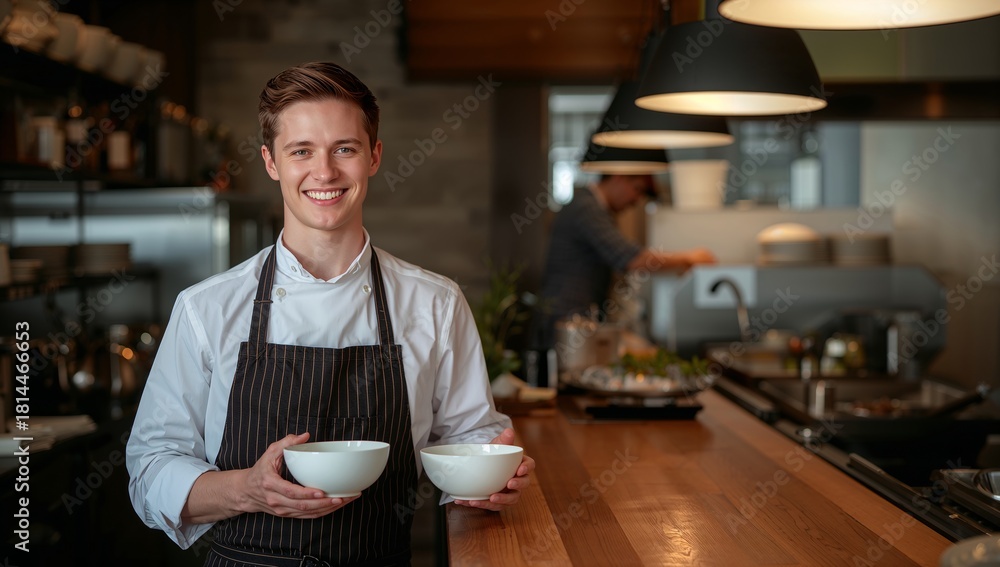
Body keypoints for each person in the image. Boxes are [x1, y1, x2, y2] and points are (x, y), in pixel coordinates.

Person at [126, 62, 534, 566]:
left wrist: (488, 481)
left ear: (374, 157)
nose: (325, 172)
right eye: (301, 151)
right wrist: (247, 490)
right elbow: (149, 473)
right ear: (272, 163)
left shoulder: (436, 303)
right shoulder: (205, 308)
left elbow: (469, 439)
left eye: (345, 148)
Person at [537, 173, 716, 350]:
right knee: (560, 377)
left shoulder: (593, 206)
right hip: (566, 322)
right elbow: (631, 259)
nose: (636, 200)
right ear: (618, 177)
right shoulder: (587, 208)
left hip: (574, 322)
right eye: (637, 189)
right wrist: (689, 258)